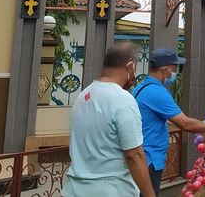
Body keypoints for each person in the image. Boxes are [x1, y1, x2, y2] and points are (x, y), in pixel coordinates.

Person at [132, 48, 205, 195]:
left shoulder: (140, 87)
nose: (176, 72)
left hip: (142, 157)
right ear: (165, 68)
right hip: (149, 159)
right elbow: (185, 123)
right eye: (175, 67)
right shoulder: (157, 93)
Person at [64, 43, 155, 197]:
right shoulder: (123, 99)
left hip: (73, 190)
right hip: (112, 190)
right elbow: (134, 155)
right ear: (130, 67)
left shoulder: (83, 96)